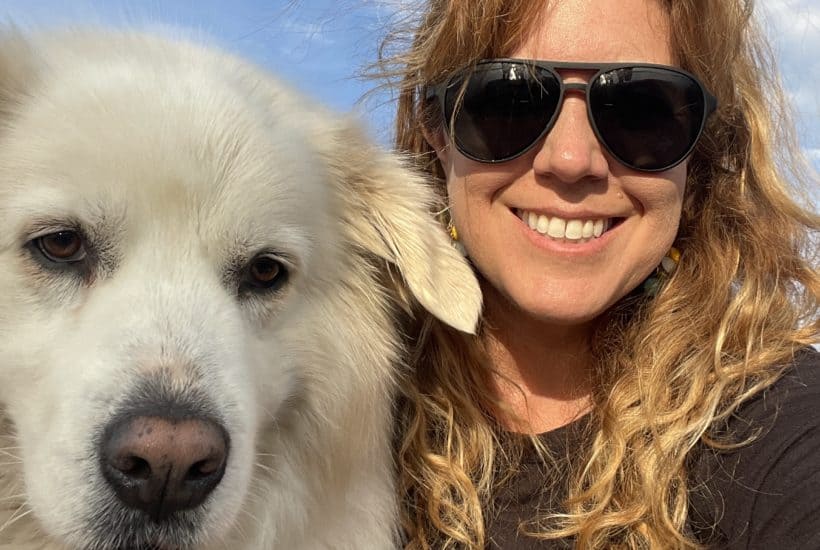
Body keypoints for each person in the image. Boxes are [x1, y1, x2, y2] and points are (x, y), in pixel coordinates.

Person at [374, 0, 820, 548]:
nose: (569, 159)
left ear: (698, 156)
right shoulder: (336, 397)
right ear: (438, 136)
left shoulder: (773, 421)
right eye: (508, 100)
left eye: (641, 111)